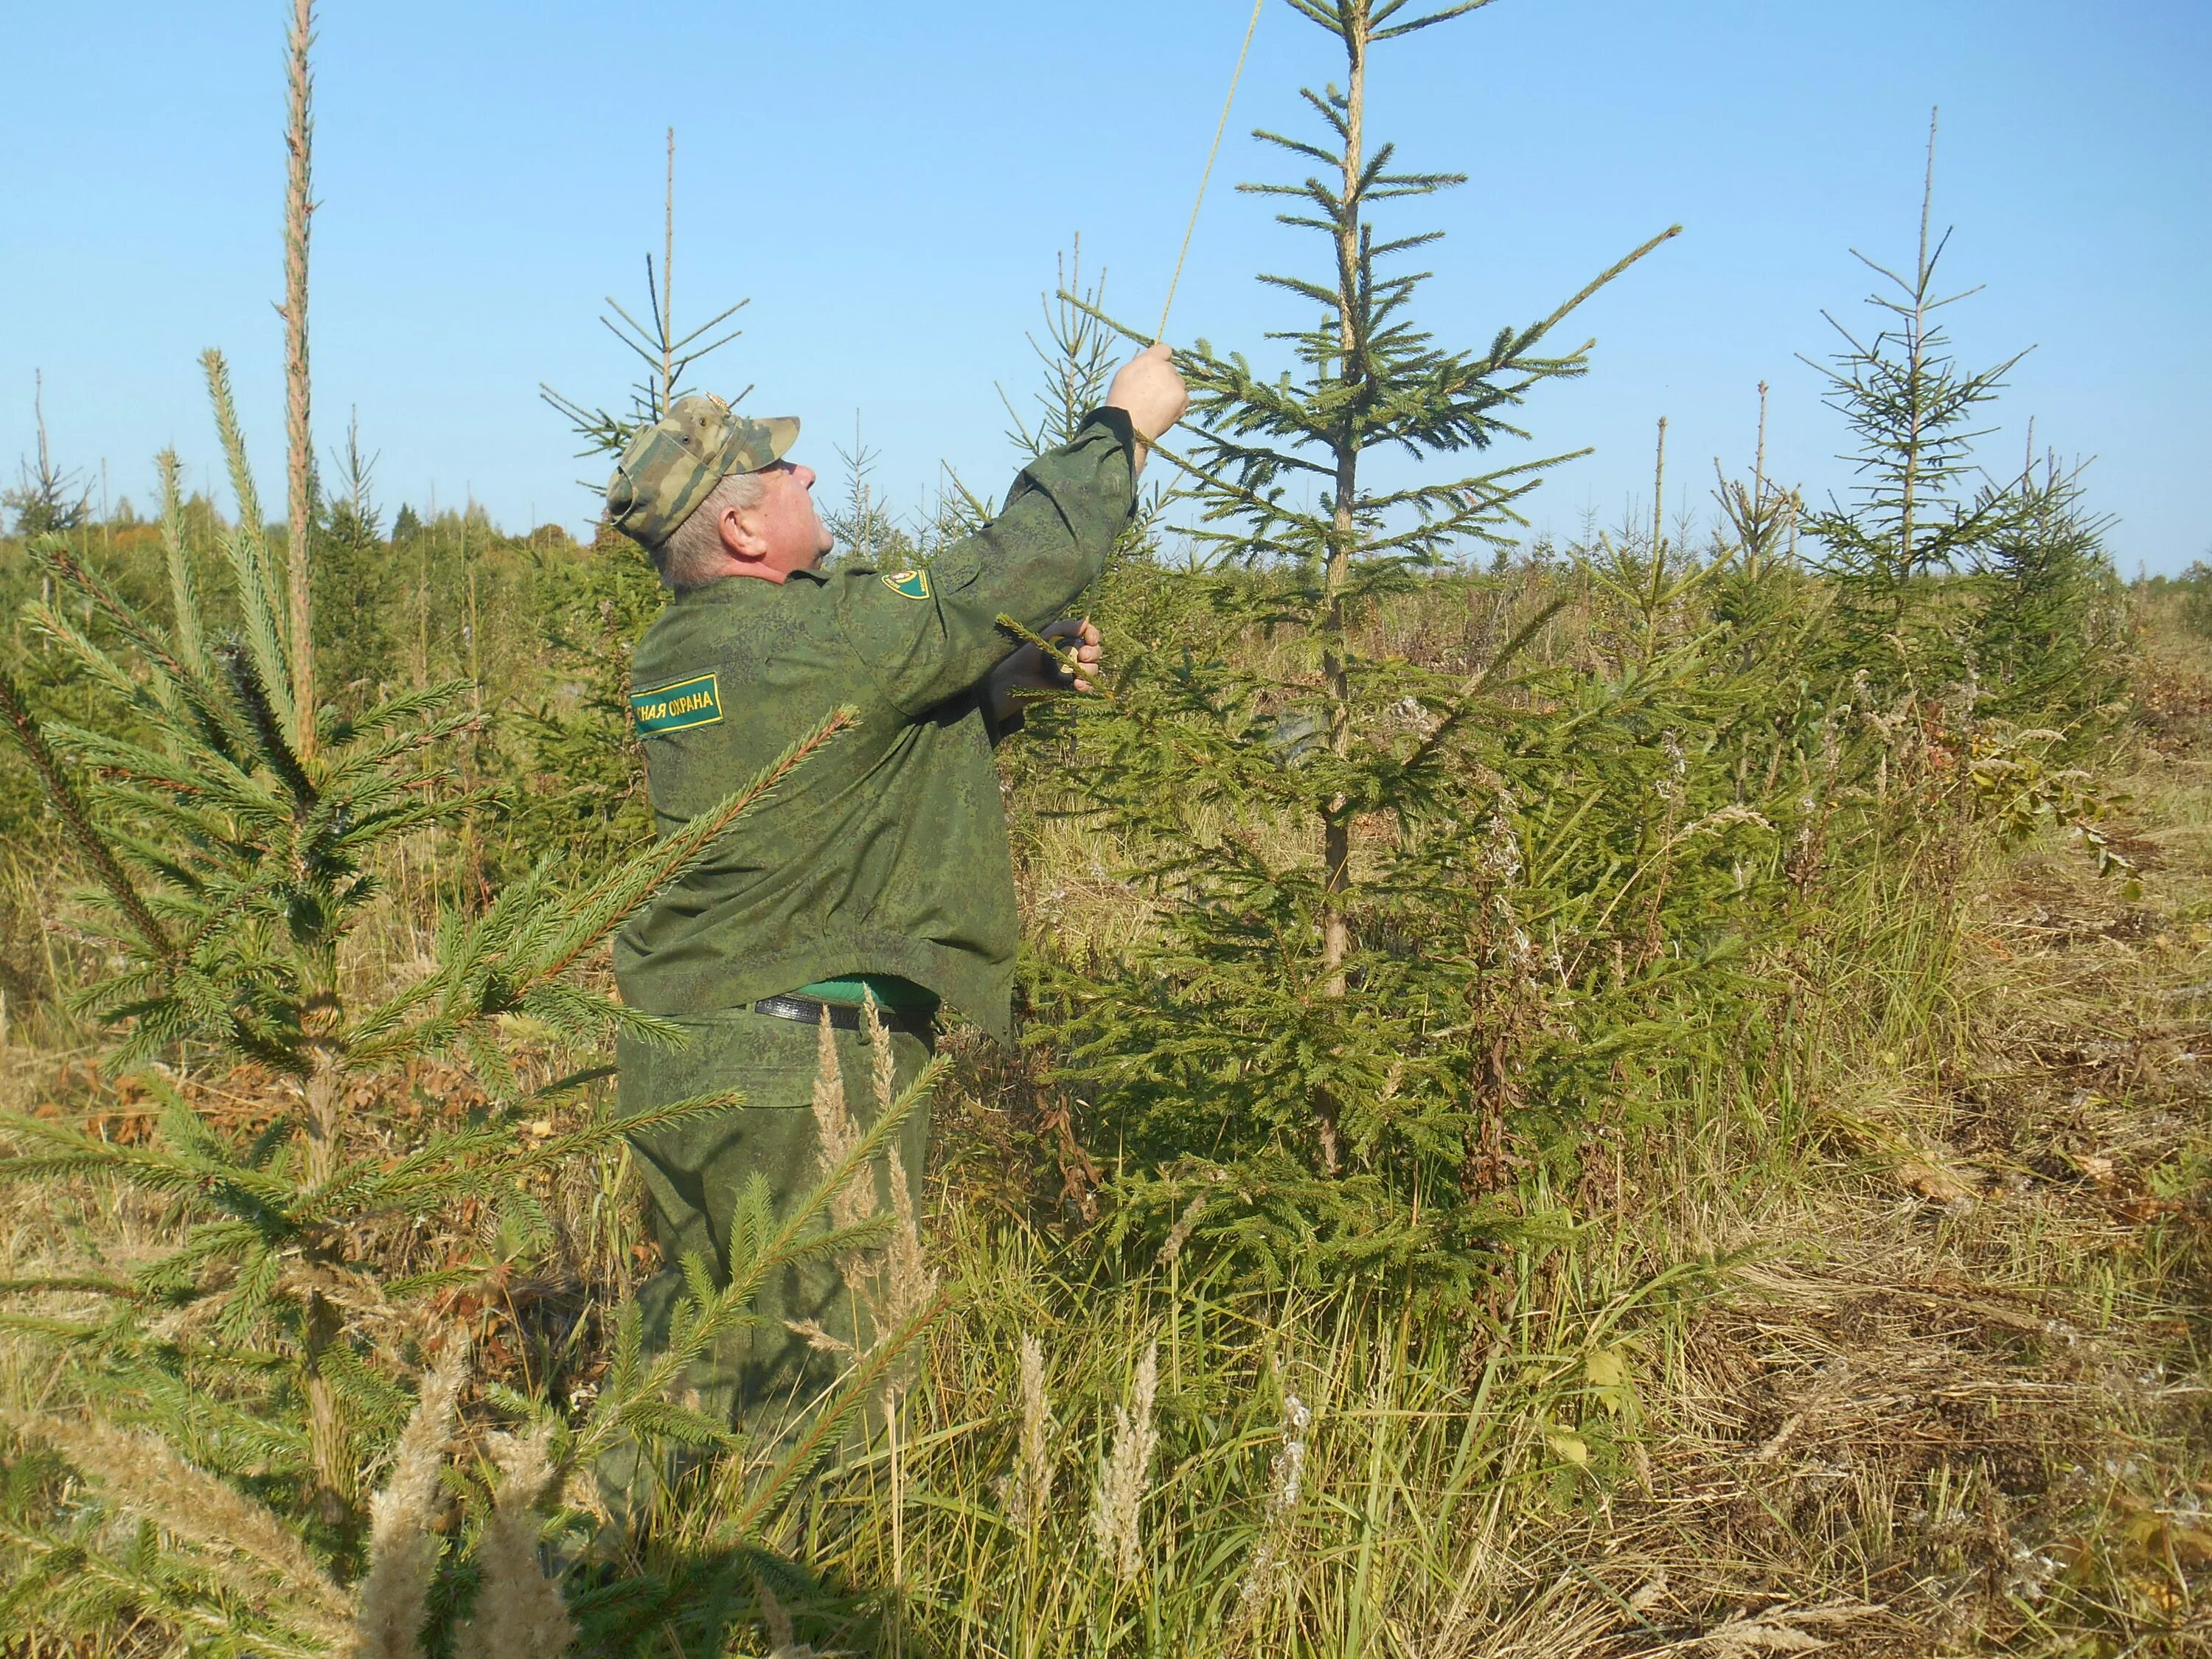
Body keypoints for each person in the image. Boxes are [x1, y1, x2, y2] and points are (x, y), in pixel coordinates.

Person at [597, 344, 1187, 1478]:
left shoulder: (680, 653)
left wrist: (1001, 688)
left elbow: (835, 773)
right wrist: (1120, 430)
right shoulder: (827, 632)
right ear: (741, 532)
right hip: (804, 1065)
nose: (808, 479)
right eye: (783, 474)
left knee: (688, 1363)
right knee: (830, 1399)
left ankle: (552, 1592)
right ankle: (796, 1616)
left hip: (676, 1058)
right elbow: (1001, 575)